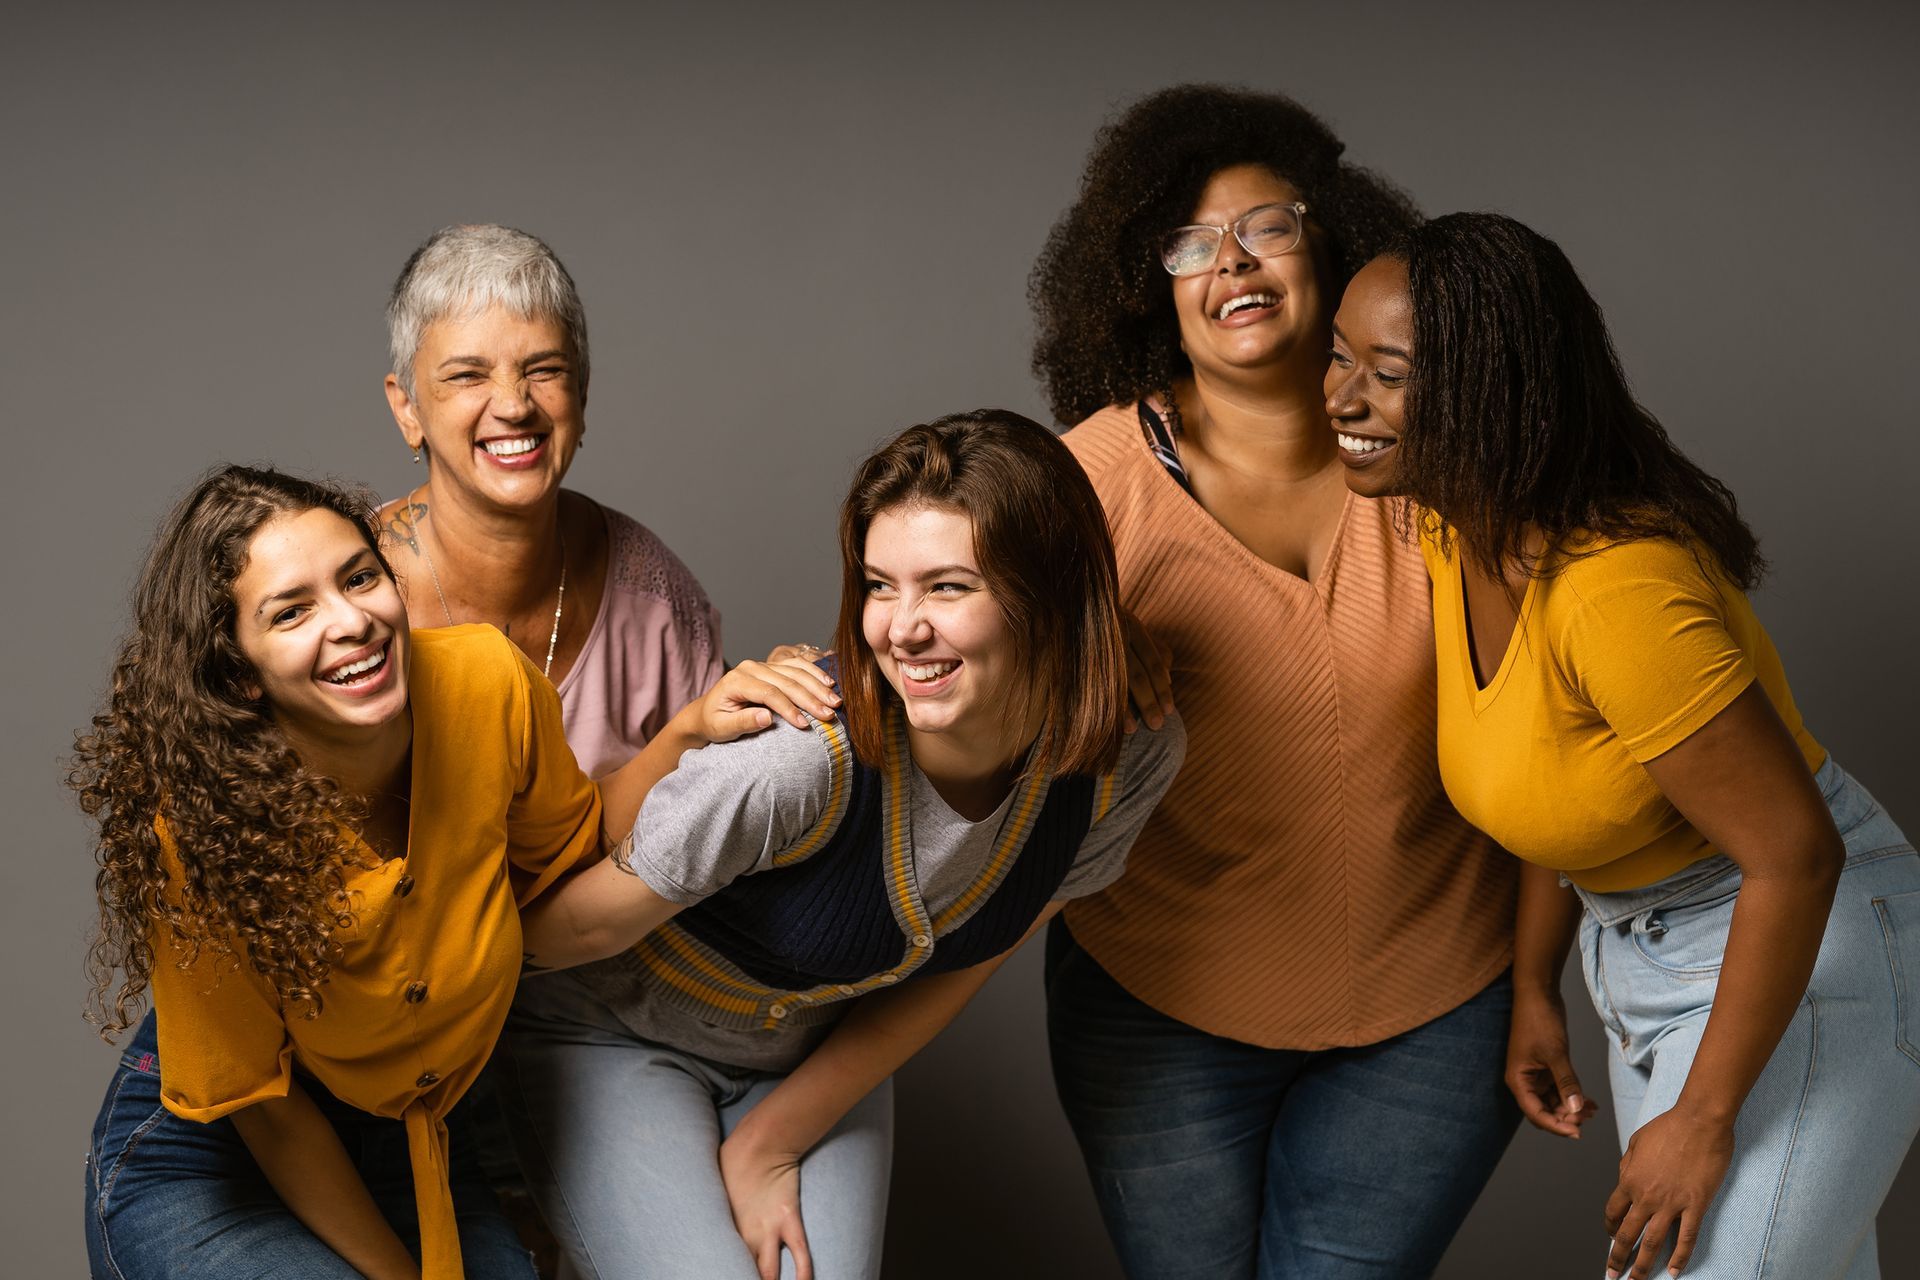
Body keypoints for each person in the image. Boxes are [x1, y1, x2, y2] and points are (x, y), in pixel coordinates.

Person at [1323, 212, 1920, 1279]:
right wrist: (1538, 985)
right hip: (1642, 956)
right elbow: (1561, 788)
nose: (1341, 396)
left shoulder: (1614, 588)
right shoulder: (1458, 526)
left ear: (1488, 393)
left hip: (1801, 946)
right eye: (1339, 354)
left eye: (1388, 372)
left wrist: (1702, 1117)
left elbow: (1796, 854)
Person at [74, 467, 832, 1280]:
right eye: (292, 612)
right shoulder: (201, 823)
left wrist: (688, 733)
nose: (353, 622)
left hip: (416, 1139)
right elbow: (273, 1117)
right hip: (221, 1159)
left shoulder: (486, 683)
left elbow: (569, 851)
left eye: (360, 578)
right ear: (238, 670)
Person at [497, 410, 1187, 1280]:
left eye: (948, 587)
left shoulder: (1126, 760)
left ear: (1050, 595)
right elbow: (563, 938)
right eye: (878, 585)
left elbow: (970, 961)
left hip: (811, 1057)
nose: (900, 629)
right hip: (610, 1037)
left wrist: (771, 1144)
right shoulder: (792, 765)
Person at [1029, 84, 1518, 1278]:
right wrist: (1085, 647)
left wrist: (1548, 977)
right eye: (1191, 243)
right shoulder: (1084, 483)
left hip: (1439, 1001)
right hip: (1161, 1008)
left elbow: (1557, 705)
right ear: (1146, 280)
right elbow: (970, 694)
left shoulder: (1447, 456)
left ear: (1332, 239)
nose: (1232, 264)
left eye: (1270, 226)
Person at [378, 222, 762, 782]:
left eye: (544, 370)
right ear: (407, 409)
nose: (513, 405)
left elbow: (723, 796)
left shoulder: (648, 590)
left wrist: (778, 701)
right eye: (467, 375)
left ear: (581, 392)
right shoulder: (347, 600)